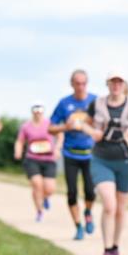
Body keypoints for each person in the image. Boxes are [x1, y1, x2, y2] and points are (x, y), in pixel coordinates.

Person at [81, 71, 128, 255]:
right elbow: (83, 124)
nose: (116, 85)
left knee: (120, 208)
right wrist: (92, 131)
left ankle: (115, 248)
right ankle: (107, 249)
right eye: (113, 81)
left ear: (124, 83)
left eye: (119, 81)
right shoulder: (97, 104)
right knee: (109, 205)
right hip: (102, 159)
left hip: (126, 160)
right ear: (108, 83)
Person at [49, 70, 98, 240]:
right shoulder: (64, 103)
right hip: (71, 154)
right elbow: (51, 127)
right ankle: (78, 226)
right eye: (77, 83)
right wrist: (65, 127)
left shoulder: (95, 101)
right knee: (71, 192)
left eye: (83, 83)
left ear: (87, 83)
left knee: (90, 192)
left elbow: (103, 122)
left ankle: (88, 212)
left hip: (90, 154)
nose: (80, 87)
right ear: (72, 84)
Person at [14, 103, 59, 222]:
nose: (38, 113)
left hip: (48, 158)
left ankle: (45, 197)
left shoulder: (49, 124)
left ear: (43, 112)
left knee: (50, 188)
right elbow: (20, 141)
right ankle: (39, 211)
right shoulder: (26, 126)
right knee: (37, 184)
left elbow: (60, 135)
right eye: (36, 110)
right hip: (32, 158)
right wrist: (18, 151)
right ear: (32, 112)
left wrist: (58, 148)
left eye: (40, 111)